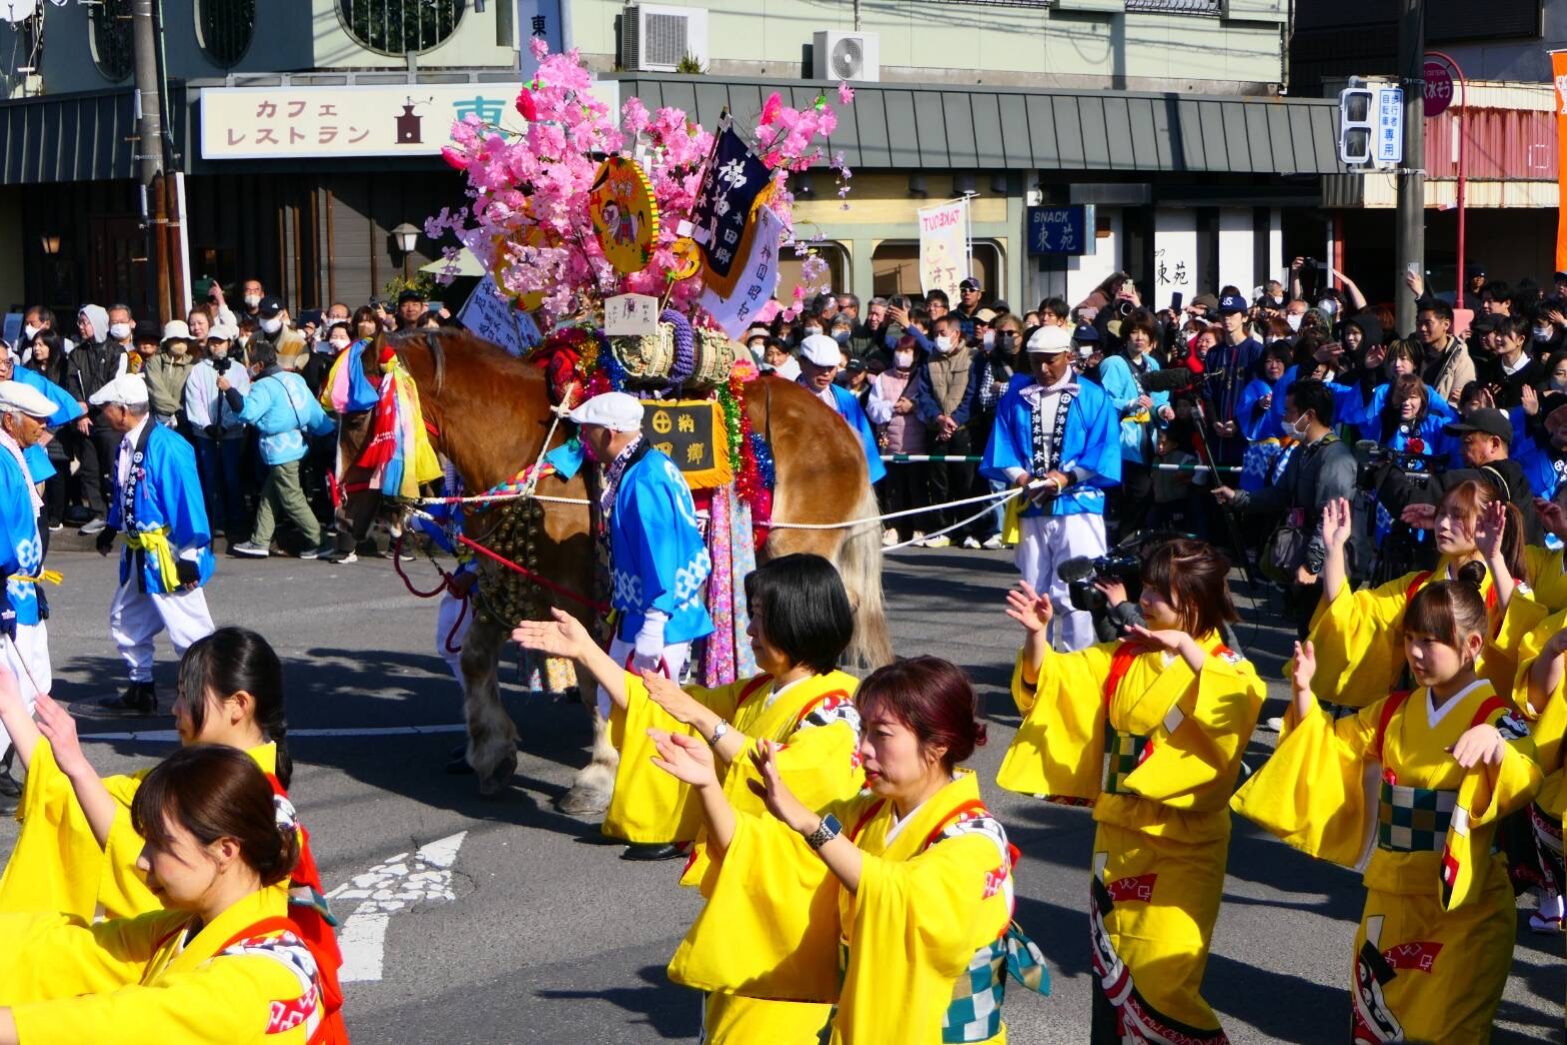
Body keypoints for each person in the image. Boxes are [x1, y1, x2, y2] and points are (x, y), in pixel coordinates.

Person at [650, 655, 1046, 1044]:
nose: (865, 749)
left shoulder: (976, 836)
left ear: (937, 745)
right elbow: (765, 852)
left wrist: (810, 824)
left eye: (882, 734)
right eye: (864, 731)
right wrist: (708, 787)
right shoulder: (868, 812)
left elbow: (902, 895)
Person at [1232, 579, 1540, 1042]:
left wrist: (1497, 745)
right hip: (1390, 900)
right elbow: (1331, 749)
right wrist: (1301, 694)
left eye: (1430, 642)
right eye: (1409, 639)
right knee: (1378, 1026)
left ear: (1472, 643)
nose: (1415, 653)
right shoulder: (1395, 709)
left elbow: (1529, 765)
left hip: (1463, 912)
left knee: (1448, 1031)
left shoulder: (1494, 715)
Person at [999, 538, 1263, 1042]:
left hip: (1185, 843)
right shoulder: (1123, 656)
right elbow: (1058, 680)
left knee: (1166, 981)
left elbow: (1242, 702)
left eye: (1157, 593)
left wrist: (1186, 649)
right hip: (1118, 838)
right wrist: (1038, 636)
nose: (1143, 600)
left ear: (1191, 601)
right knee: (1114, 973)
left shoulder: (1226, 665)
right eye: (1144, 588)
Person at [516, 551, 862, 869]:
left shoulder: (837, 705)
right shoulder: (761, 688)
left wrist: (703, 718)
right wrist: (587, 652)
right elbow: (656, 706)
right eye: (751, 615)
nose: (750, 629)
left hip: (797, 872)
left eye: (760, 616)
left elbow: (789, 777)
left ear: (797, 620)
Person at [0, 744, 341, 1045]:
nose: (141, 859)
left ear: (225, 851)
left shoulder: (262, 982)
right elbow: (71, 948)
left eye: (159, 844)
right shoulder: (191, 927)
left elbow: (122, 1022)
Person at [555, 391, 712, 714]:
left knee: (641, 715)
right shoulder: (652, 463)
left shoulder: (644, 479)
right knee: (613, 704)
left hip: (659, 617)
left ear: (609, 433)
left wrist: (654, 624)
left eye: (589, 431)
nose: (585, 438)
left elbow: (661, 553)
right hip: (645, 612)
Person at [980, 324, 1120, 652]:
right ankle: (1038, 664)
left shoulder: (1093, 396)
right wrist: (1023, 479)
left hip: (1078, 505)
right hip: (1033, 504)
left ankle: (1077, 664)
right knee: (1033, 591)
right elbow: (1003, 445)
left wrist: (1067, 478)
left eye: (1050, 361)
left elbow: (1104, 450)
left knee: (1078, 590)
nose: (1042, 369)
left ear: (1068, 357)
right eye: (1035, 361)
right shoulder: (1016, 395)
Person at [90, 373, 216, 713]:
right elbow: (123, 492)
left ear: (123, 410)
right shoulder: (126, 445)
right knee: (126, 617)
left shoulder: (169, 447)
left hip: (169, 554)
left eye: (107, 408)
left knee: (190, 630)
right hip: (139, 553)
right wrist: (111, 526)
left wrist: (190, 553)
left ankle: (210, 697)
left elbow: (188, 501)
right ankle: (141, 687)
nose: (102, 414)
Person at [1212, 380, 1359, 634]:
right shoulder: (1303, 451)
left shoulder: (1335, 458)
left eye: (1290, 411)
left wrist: (1312, 565)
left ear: (1309, 415)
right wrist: (1237, 498)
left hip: (1328, 564)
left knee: (1320, 637)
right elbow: (1280, 495)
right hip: (1305, 558)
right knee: (1305, 633)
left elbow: (1330, 521)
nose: (1285, 417)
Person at [221, 340, 336, 560]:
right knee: (270, 495)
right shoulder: (294, 378)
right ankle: (260, 541)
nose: (249, 367)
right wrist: (329, 431)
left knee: (291, 498)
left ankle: (319, 540)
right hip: (299, 444)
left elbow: (247, 412)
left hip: (280, 450)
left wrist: (229, 391)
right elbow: (314, 412)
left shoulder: (265, 386)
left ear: (260, 365)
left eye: (251, 363)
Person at [0, 381, 58, 808]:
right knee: (14, 687)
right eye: (35, 419)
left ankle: (13, 769)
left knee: (35, 682)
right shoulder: (2, 459)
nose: (44, 425)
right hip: (8, 588)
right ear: (9, 419)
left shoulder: (17, 454)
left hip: (24, 587)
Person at [1097, 309, 1173, 539]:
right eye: (1134, 332)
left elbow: (1159, 398)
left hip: (1146, 438)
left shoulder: (1153, 364)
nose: (1139, 337)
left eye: (1145, 333)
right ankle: (1121, 542)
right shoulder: (1113, 363)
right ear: (1125, 336)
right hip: (1122, 440)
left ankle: (1129, 543)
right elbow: (1104, 401)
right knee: (1135, 494)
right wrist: (1130, 403)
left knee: (1142, 497)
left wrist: (1163, 410)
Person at [61, 305, 129, 534]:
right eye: (80, 323)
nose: (81, 327)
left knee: (114, 468)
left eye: (85, 322)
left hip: (109, 419)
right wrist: (79, 412)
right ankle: (99, 512)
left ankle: (120, 512)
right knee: (90, 469)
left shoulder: (117, 352)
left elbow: (114, 385)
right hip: (84, 421)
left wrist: (87, 406)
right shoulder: (76, 354)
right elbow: (71, 384)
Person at [912, 315, 979, 548]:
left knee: (965, 481)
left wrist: (954, 420)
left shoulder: (972, 357)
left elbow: (972, 395)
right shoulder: (929, 360)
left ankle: (966, 530)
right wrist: (939, 418)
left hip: (962, 429)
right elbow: (924, 394)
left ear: (956, 334)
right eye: (935, 333)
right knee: (939, 482)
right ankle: (941, 529)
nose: (938, 338)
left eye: (942, 333)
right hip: (936, 427)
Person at [183, 323, 251, 544]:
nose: (216, 346)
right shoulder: (199, 370)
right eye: (212, 342)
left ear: (229, 344)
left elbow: (242, 400)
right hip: (206, 434)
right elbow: (194, 400)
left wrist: (227, 424)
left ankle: (237, 521)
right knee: (211, 478)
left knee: (232, 477)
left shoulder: (239, 370)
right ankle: (217, 521)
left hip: (231, 434)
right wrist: (207, 425)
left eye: (220, 342)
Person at [797, 334, 887, 484]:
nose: (826, 373)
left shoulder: (845, 398)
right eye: (819, 366)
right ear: (801, 363)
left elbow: (865, 445)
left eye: (831, 367)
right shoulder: (786, 398)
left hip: (843, 481)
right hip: (801, 482)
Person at [866, 335, 929, 546]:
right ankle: (893, 528)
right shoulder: (883, 377)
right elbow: (873, 408)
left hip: (917, 444)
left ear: (916, 355)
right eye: (900, 351)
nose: (902, 355)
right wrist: (892, 407)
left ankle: (920, 528)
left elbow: (929, 404)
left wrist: (913, 407)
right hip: (891, 444)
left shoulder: (922, 377)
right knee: (894, 489)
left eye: (908, 352)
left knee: (917, 488)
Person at [142, 321, 197, 430]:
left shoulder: (193, 365)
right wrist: (177, 410)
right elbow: (156, 391)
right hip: (160, 417)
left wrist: (183, 413)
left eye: (183, 340)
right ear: (167, 342)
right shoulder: (155, 362)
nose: (180, 344)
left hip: (186, 419)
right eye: (176, 340)